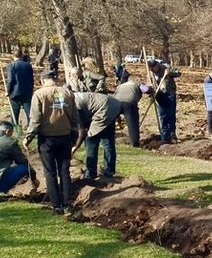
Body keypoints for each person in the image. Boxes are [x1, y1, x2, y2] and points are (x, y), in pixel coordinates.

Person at [25, 71, 79, 214]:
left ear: (43, 81)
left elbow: (35, 120)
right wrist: (75, 136)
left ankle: (56, 205)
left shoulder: (39, 94)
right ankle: (67, 203)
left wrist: (28, 137)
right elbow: (75, 118)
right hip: (65, 137)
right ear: (55, 79)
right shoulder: (68, 93)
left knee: (50, 172)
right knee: (65, 171)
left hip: (47, 138)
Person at [73, 92, 122, 180]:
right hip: (113, 103)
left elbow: (82, 131)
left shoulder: (73, 106)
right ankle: (109, 171)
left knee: (90, 140)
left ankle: (91, 173)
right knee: (107, 140)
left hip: (104, 108)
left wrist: (74, 148)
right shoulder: (74, 97)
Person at [0, 120, 38, 194]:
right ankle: (2, 189)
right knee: (24, 168)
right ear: (8, 131)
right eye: (11, 133)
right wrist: (34, 178)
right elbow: (23, 162)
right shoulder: (10, 142)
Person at [149, 60, 181, 144]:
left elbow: (178, 73)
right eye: (151, 69)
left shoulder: (165, 67)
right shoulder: (150, 74)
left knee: (171, 114)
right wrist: (151, 95)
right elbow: (149, 85)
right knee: (162, 115)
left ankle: (172, 134)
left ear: (157, 65)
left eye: (153, 68)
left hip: (169, 94)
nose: (153, 70)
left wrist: (169, 73)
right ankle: (164, 135)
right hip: (159, 96)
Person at [114, 78, 152, 147]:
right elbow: (146, 90)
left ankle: (109, 139)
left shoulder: (121, 85)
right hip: (129, 104)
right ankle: (135, 143)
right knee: (133, 124)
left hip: (116, 103)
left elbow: (115, 94)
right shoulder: (137, 84)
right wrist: (151, 89)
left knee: (111, 122)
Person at [6, 49, 34, 126]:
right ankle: (30, 127)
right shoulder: (28, 65)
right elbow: (32, 79)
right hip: (27, 92)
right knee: (29, 112)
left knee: (14, 113)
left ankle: (14, 127)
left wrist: (8, 91)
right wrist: (31, 90)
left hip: (15, 93)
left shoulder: (11, 65)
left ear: (13, 56)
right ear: (21, 56)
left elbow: (10, 80)